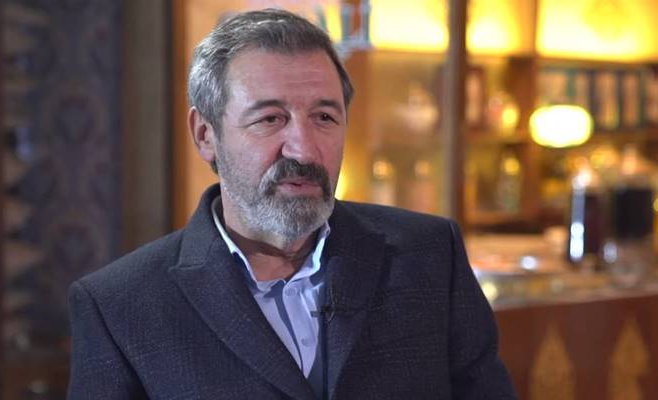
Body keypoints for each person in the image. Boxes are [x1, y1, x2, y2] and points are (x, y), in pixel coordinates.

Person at [67, 9, 516, 400]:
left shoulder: (430, 254)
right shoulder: (120, 306)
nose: (303, 148)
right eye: (270, 118)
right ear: (205, 135)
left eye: (324, 117)